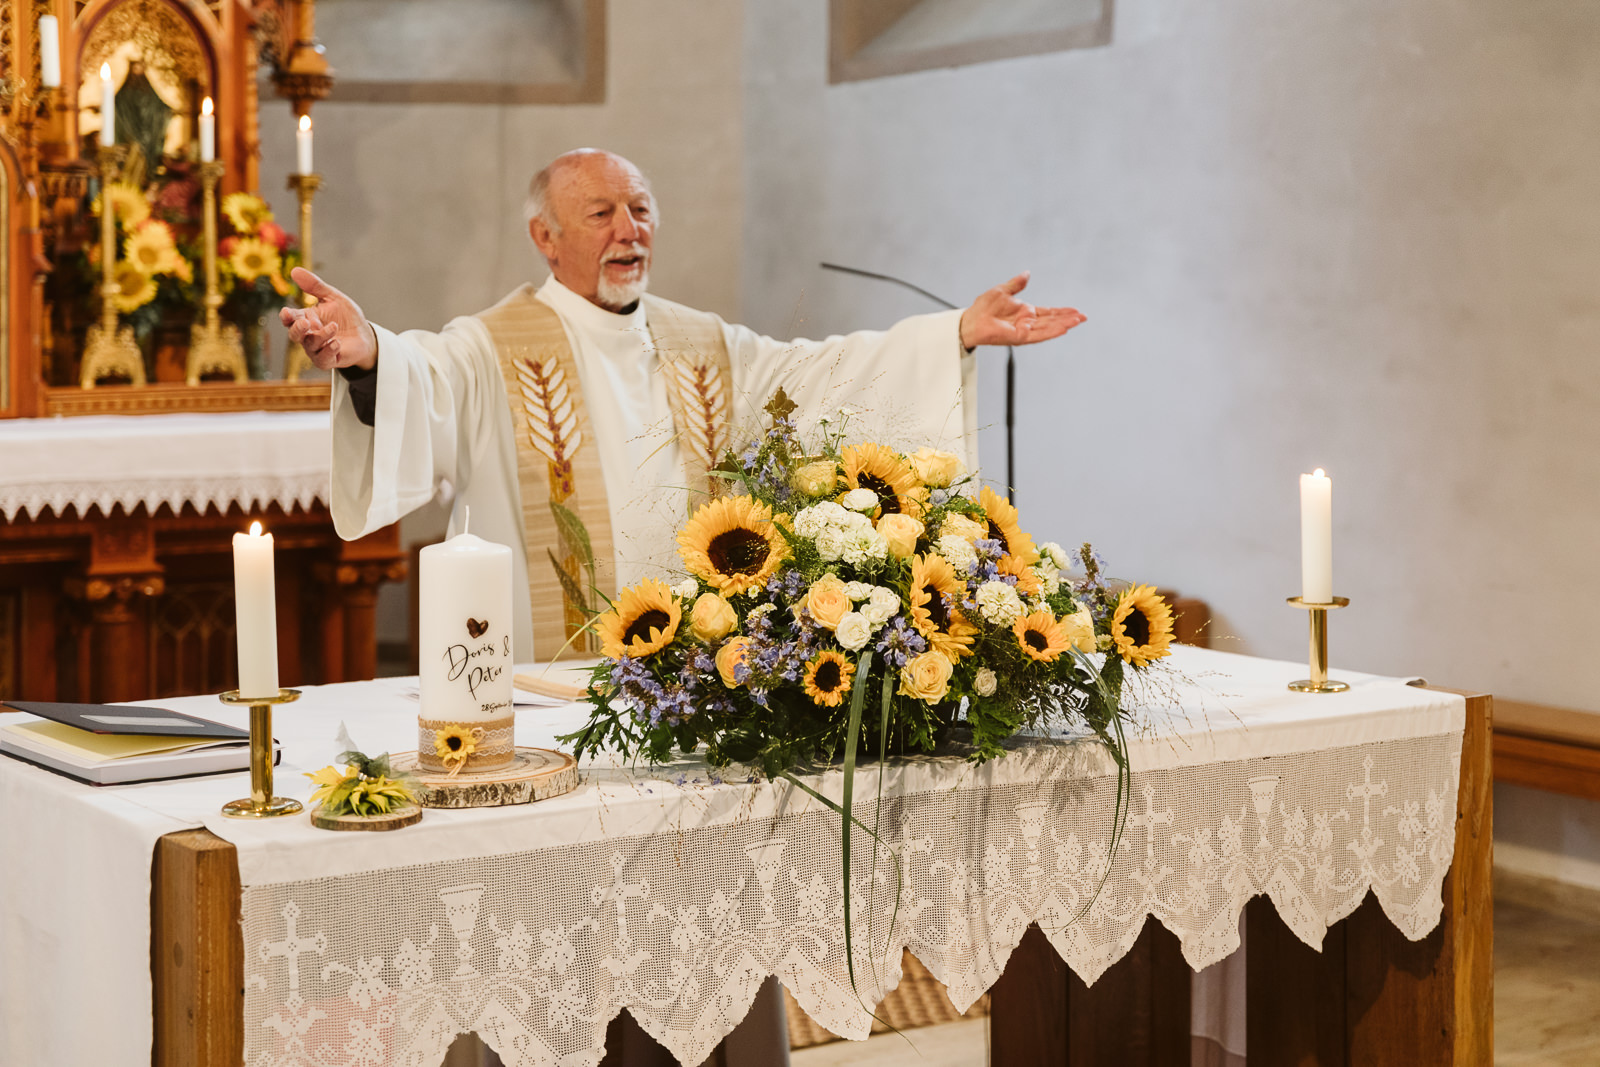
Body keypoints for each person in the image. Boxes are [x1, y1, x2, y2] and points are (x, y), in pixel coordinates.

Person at [284, 149, 1085, 663]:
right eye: (600, 214)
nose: (627, 229)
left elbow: (824, 373)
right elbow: (423, 376)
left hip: (701, 660)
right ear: (545, 235)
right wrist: (371, 355)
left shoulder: (704, 342)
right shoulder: (490, 344)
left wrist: (952, 332)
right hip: (553, 674)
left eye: (639, 211)